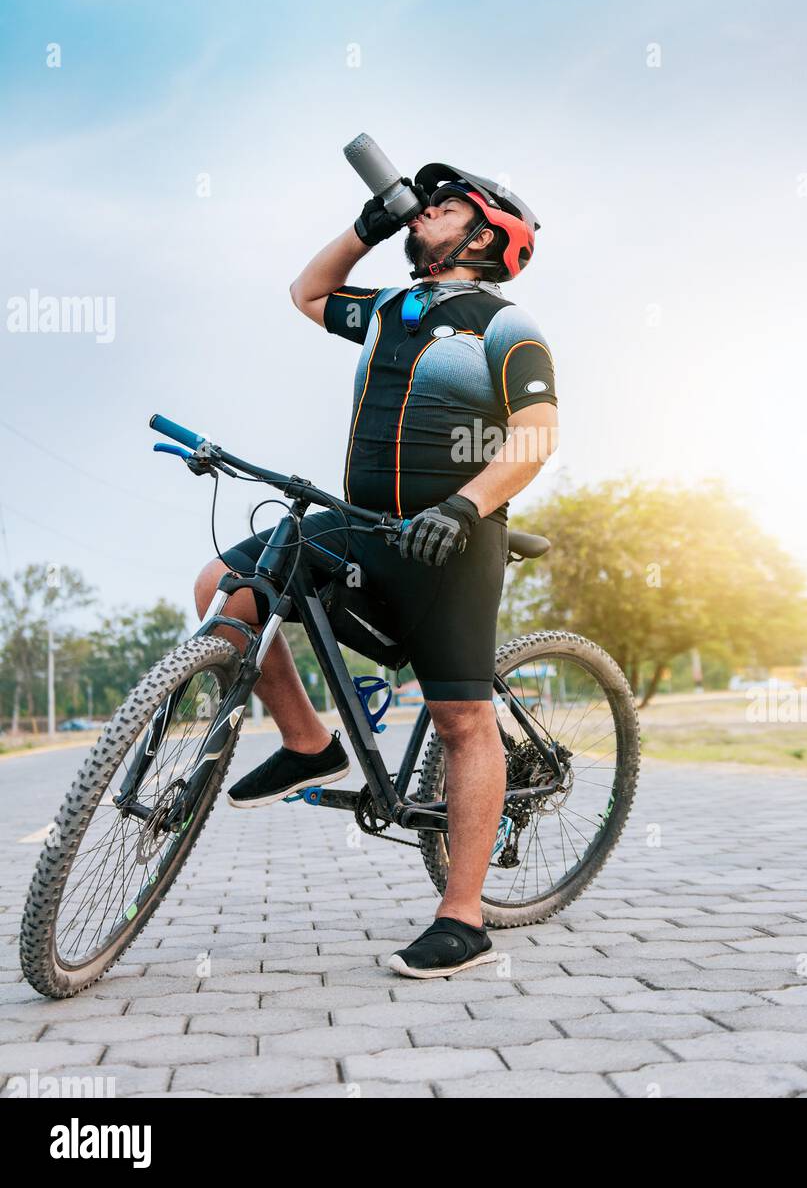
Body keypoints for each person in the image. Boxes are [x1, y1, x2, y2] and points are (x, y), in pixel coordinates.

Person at [193, 163, 559, 977]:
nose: (425, 213)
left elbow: (536, 433)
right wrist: (369, 224)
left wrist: (465, 507)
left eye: (445, 207)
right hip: (361, 528)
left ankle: (462, 918)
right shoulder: (392, 309)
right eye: (422, 205)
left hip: (452, 543)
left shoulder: (506, 326)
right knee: (223, 587)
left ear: (488, 236)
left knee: (461, 720)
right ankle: (308, 740)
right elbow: (309, 293)